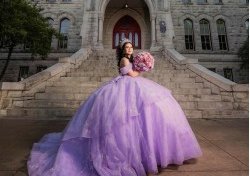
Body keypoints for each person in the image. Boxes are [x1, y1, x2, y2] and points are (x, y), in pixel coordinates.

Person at [28, 38, 202, 176]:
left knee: (147, 116)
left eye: (131, 47)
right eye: (127, 47)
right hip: (125, 88)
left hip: (135, 87)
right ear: (122, 50)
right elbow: (132, 74)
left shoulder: (131, 58)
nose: (129, 49)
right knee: (124, 121)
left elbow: (135, 74)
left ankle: (147, 153)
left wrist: (143, 64)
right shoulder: (125, 61)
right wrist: (143, 68)